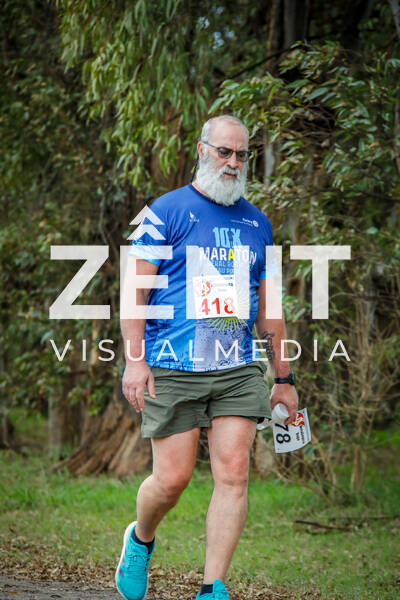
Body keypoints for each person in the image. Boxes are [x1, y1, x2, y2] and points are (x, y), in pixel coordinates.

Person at [117, 115, 298, 600]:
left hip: (237, 368)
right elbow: (135, 292)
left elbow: (270, 309)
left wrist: (284, 378)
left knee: (234, 473)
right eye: (224, 152)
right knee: (171, 480)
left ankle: (211, 587)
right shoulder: (164, 211)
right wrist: (135, 360)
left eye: (242, 154)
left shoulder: (258, 224)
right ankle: (140, 538)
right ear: (202, 151)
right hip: (172, 363)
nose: (233, 162)